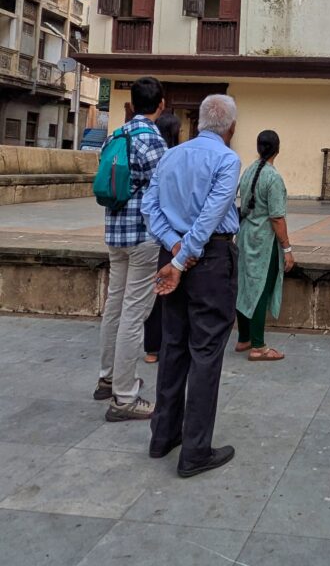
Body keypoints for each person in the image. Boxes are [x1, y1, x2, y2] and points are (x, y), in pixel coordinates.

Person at [142, 94, 241, 478]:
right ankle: (196, 449)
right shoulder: (227, 159)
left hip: (176, 255)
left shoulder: (171, 155)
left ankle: (163, 434)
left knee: (173, 346)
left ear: (199, 122)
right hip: (208, 259)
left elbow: (150, 206)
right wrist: (184, 256)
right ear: (230, 128)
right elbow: (212, 214)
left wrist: (173, 247)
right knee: (205, 352)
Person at [94, 76, 168, 421]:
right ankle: (124, 398)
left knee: (115, 305)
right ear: (161, 104)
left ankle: (107, 378)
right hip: (142, 238)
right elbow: (165, 191)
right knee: (134, 314)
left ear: (132, 104)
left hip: (115, 233)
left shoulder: (116, 134)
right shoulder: (152, 140)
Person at [235, 130, 295, 361]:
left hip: (245, 235)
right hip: (264, 241)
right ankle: (258, 346)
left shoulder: (249, 171)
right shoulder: (273, 178)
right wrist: (287, 249)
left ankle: (244, 337)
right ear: (277, 149)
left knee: (244, 285)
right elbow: (277, 218)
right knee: (260, 289)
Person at [142, 111, 182, 364]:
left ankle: (151, 349)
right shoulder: (172, 157)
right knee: (171, 293)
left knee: (155, 292)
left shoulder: (153, 152)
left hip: (149, 231)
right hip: (170, 236)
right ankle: (170, 344)